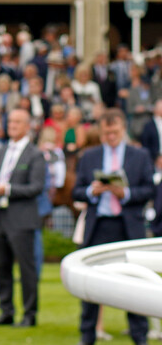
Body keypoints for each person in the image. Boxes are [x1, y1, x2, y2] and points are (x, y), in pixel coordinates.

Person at [71, 108, 155, 345]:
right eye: (106, 132)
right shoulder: (89, 156)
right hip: (99, 227)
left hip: (129, 229)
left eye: (114, 132)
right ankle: (87, 336)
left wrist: (125, 193)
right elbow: (76, 191)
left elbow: (150, 189)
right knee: (90, 284)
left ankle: (140, 336)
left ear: (123, 129)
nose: (110, 137)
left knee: (135, 285)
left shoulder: (139, 156)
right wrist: (91, 191)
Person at [0, 108, 46, 328]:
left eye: (18, 122)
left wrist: (6, 189)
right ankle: (6, 312)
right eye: (10, 121)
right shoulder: (1, 151)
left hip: (21, 219)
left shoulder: (35, 154)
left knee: (26, 269)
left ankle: (29, 314)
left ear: (28, 126)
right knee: (1, 267)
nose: (12, 125)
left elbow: (36, 187)